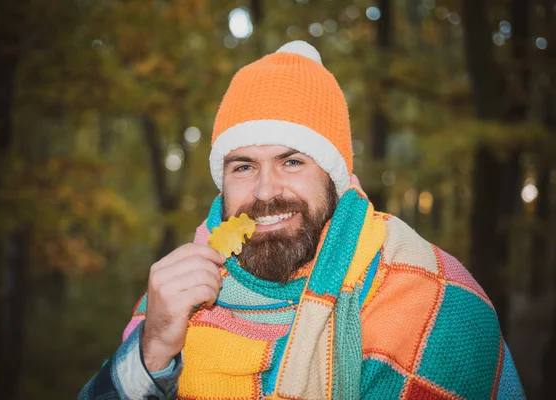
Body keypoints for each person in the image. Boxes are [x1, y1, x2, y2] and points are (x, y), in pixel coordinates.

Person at [79, 41, 524, 400]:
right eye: (243, 166)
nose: (266, 191)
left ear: (336, 179)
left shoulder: (431, 297)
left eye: (291, 161)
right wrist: (153, 349)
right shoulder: (172, 295)